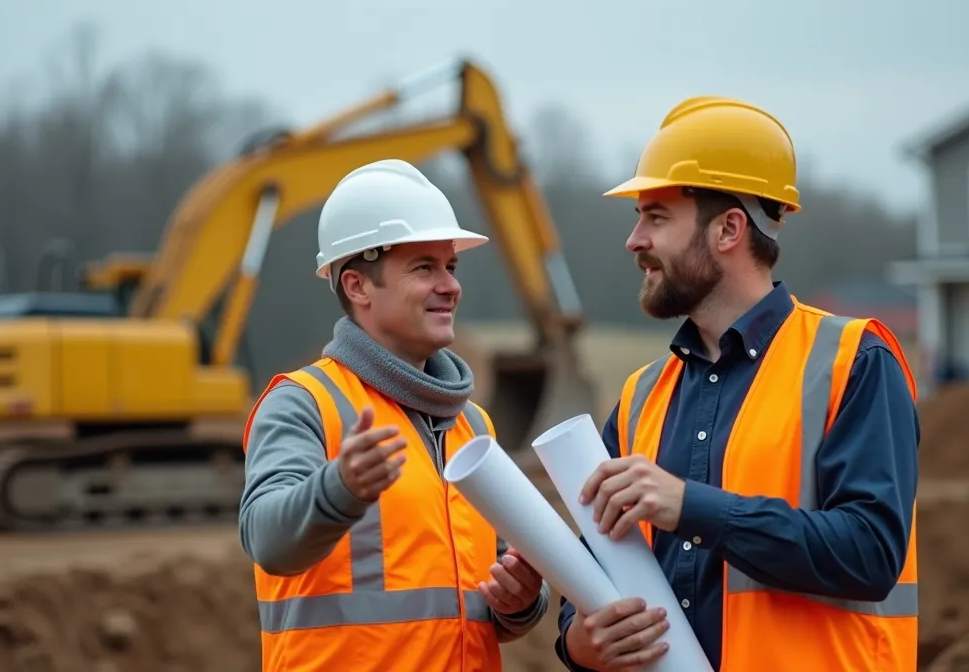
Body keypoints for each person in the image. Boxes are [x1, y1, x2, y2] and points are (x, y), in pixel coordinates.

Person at [553, 97, 921, 671]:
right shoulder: (639, 398)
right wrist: (578, 642)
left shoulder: (854, 361)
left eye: (656, 217)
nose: (634, 241)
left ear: (728, 229)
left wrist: (691, 506)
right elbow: (593, 567)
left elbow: (871, 553)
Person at [239, 158, 551, 672]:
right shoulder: (304, 403)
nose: (450, 285)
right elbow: (268, 540)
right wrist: (340, 488)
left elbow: (483, 596)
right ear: (358, 286)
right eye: (423, 267)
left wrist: (520, 605)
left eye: (450, 266)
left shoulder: (472, 424)